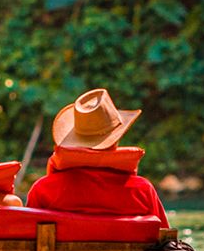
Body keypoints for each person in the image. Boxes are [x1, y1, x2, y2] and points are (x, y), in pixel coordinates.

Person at [24, 88, 168, 225]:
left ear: (74, 142)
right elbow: (166, 241)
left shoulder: (42, 190)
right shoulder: (142, 191)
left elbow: (27, 244)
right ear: (116, 139)